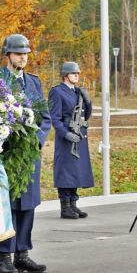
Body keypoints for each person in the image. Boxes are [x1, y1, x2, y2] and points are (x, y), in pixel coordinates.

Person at [0, 34, 51, 273]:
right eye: (18, 53)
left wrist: (34, 143)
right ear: (8, 55)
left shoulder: (34, 82)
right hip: (6, 154)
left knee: (27, 204)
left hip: (29, 156)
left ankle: (22, 254)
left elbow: (45, 117)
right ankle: (4, 257)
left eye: (26, 53)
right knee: (6, 206)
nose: (23, 57)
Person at [49, 61, 94, 219]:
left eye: (78, 73)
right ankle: (65, 206)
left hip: (79, 136)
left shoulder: (78, 92)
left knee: (76, 171)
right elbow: (55, 119)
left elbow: (85, 116)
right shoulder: (57, 91)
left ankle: (73, 205)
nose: (77, 75)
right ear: (65, 75)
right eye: (73, 73)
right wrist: (65, 134)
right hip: (66, 137)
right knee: (65, 172)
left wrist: (88, 102)